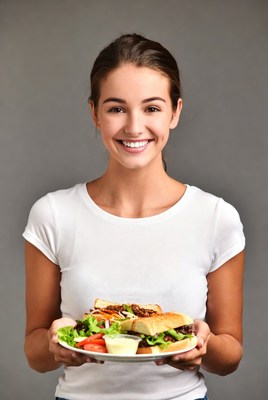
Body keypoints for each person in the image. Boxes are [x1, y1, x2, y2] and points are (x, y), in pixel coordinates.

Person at [23, 33, 245, 400]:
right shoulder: (53, 214)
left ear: (175, 112)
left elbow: (230, 354)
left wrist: (203, 347)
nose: (134, 126)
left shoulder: (216, 217)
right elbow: (34, 352)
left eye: (152, 108)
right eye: (116, 108)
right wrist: (54, 345)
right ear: (94, 113)